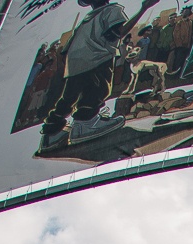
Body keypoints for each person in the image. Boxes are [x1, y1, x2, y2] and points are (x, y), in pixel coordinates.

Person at [38, 0, 131, 151]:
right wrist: (143, 9)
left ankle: (51, 134)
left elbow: (65, 50)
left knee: (69, 96)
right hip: (96, 57)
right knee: (98, 90)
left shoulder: (87, 19)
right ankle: (86, 124)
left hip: (75, 61)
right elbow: (117, 33)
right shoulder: (112, 10)